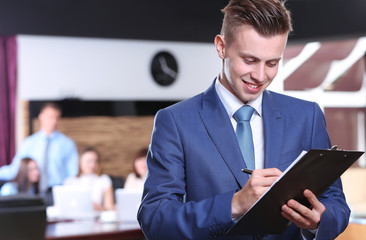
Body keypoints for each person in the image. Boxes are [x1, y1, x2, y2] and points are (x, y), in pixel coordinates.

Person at [137, 0, 350, 239]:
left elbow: (336, 203)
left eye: (272, 63)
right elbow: (154, 218)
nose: (260, 76)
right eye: (249, 60)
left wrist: (318, 221)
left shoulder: (306, 116)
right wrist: (234, 204)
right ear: (221, 47)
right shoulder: (174, 122)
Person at [0, 102, 79, 205]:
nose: (54, 121)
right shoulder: (29, 143)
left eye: (57, 117)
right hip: (33, 192)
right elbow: (16, 168)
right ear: (41, 117)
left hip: (56, 193)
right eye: (50, 117)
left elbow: (72, 175)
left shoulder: (68, 144)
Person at [64, 146, 114, 211]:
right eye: (89, 161)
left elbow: (109, 207)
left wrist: (99, 208)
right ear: (80, 162)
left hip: (96, 217)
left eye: (95, 161)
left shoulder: (104, 180)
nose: (92, 165)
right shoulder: (70, 181)